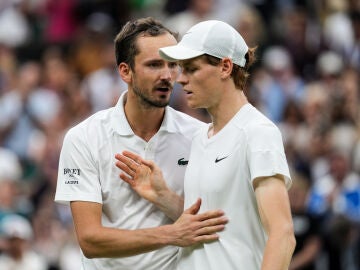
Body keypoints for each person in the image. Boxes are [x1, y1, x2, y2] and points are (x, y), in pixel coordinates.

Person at [115, 20, 296, 270]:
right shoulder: (201, 137)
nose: (180, 79)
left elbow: (283, 234)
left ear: (225, 67)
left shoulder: (258, 132)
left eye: (191, 69)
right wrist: (163, 196)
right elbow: (209, 225)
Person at [54, 17, 228, 270]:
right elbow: (90, 240)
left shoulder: (202, 136)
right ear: (125, 71)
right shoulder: (83, 138)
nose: (168, 76)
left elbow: (213, 227)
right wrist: (171, 234)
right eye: (155, 65)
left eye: (172, 65)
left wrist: (165, 198)